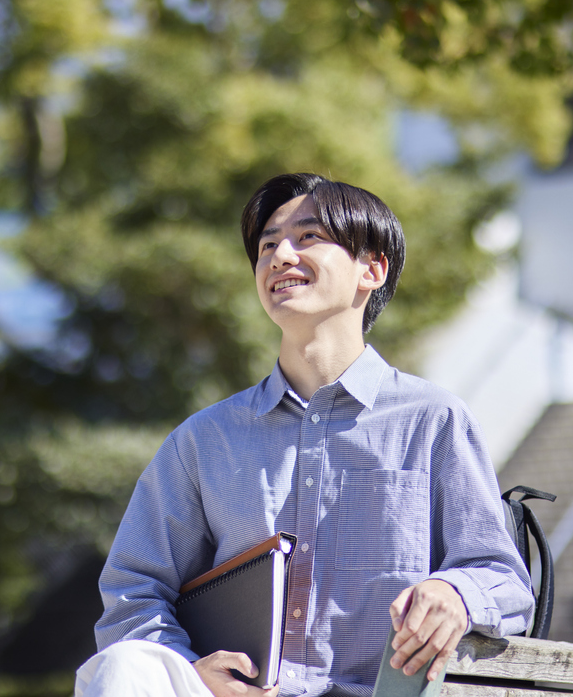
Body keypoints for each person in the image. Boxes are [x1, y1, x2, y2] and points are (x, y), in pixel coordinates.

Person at [76, 173, 533, 697]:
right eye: (268, 245)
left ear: (372, 269)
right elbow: (134, 589)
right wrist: (188, 668)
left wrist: (456, 591)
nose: (279, 256)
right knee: (125, 669)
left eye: (308, 237)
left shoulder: (434, 420)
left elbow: (503, 578)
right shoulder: (202, 441)